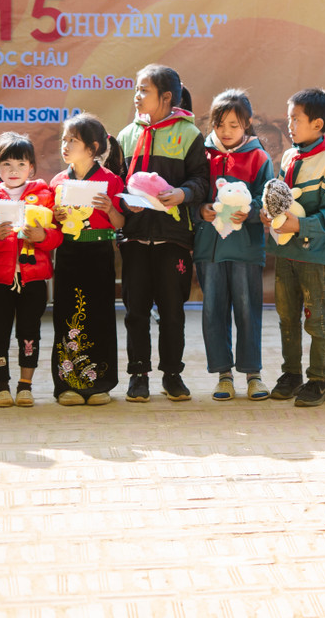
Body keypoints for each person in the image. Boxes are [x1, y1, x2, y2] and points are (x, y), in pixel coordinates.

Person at [115, 64, 209, 402]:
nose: (137, 96)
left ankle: (172, 374)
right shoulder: (126, 136)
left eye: (144, 90)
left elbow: (201, 181)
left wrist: (182, 194)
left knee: (172, 310)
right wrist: (127, 205)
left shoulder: (189, 134)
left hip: (175, 238)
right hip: (136, 238)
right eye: (136, 89)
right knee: (136, 310)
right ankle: (138, 375)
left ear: (166, 97)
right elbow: (116, 185)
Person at [263, 88, 325, 408]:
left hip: (313, 255)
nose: (290, 125)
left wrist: (298, 225)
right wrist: (269, 212)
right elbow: (281, 198)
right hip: (287, 252)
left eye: (295, 119)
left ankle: (318, 379)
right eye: (289, 119)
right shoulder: (289, 156)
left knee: (315, 316)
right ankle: (291, 374)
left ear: (317, 123)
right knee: (287, 316)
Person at [193, 90, 274, 402]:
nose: (226, 131)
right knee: (213, 310)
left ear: (248, 125)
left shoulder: (259, 157)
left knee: (247, 308)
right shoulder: (201, 154)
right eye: (220, 124)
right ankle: (223, 375)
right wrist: (200, 209)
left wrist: (250, 210)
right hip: (209, 248)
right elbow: (194, 190)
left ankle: (253, 374)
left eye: (234, 125)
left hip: (245, 249)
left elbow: (267, 197)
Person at [0, 132, 62, 408]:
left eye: (20, 164)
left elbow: (56, 237)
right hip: (0, 279)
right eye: (6, 164)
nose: (13, 171)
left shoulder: (43, 195)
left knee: (30, 331)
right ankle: (1, 386)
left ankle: (25, 385)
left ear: (31, 168)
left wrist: (41, 237)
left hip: (34, 278)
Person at [50, 115, 124, 405]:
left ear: (93, 148)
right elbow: (52, 229)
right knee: (66, 316)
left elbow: (120, 223)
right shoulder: (58, 181)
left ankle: (99, 384)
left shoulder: (111, 180)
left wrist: (109, 209)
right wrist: (55, 218)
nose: (65, 145)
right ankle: (67, 384)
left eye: (73, 141)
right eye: (64, 139)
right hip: (68, 254)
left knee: (100, 316)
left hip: (99, 254)